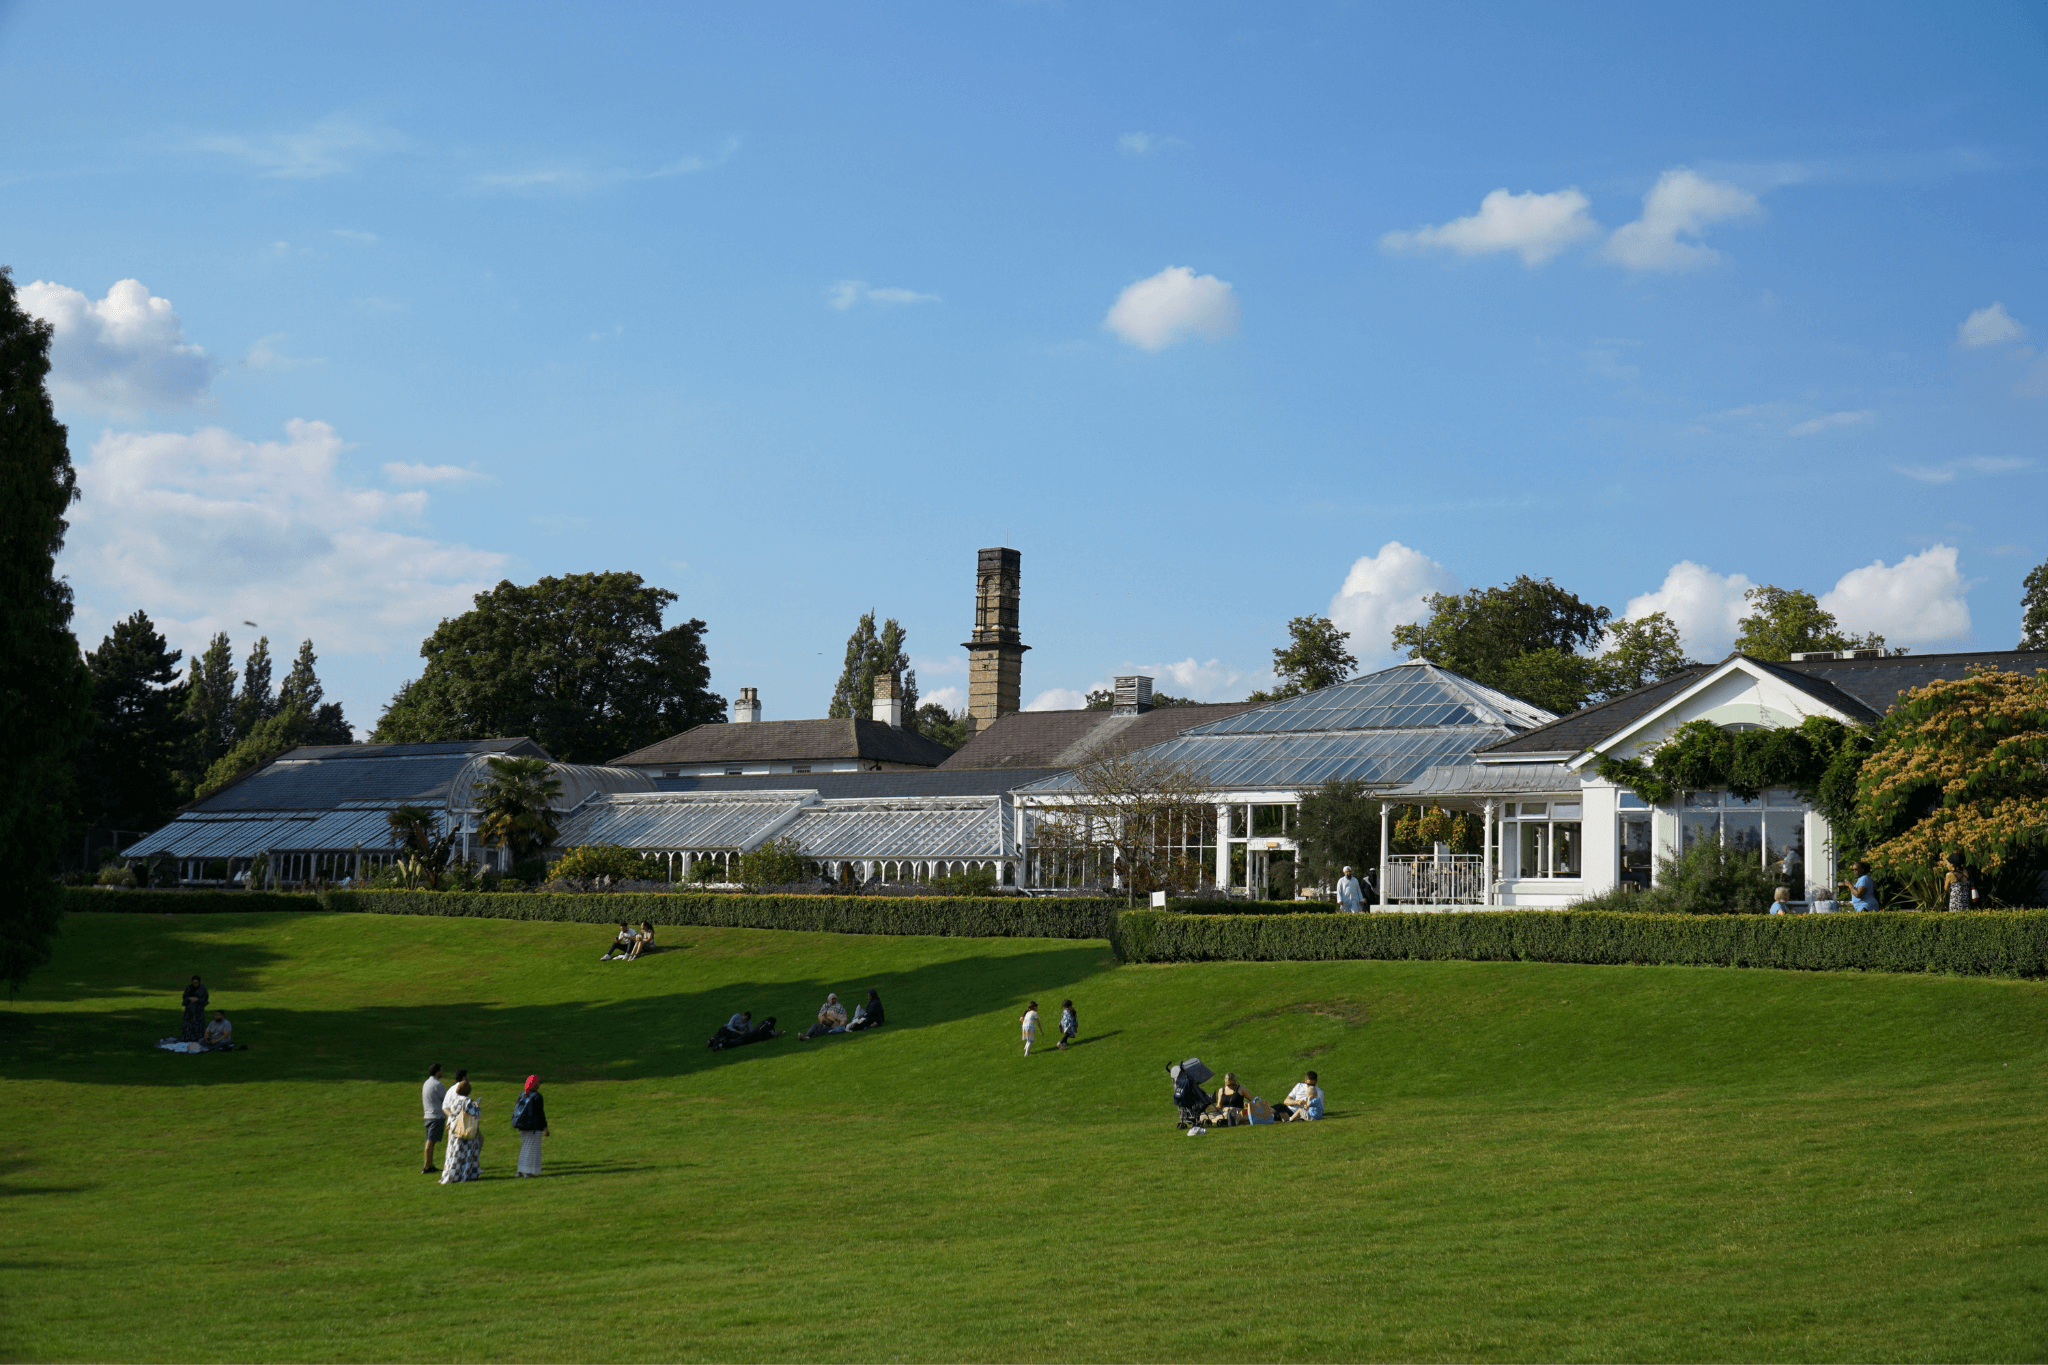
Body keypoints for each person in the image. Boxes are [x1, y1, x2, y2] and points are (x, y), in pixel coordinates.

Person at [440, 1078, 482, 1183]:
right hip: (465, 1130)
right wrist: (477, 1106)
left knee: (455, 1154)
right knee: (466, 1153)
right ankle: (465, 1174)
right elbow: (476, 1114)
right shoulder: (467, 1101)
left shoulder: (455, 1100)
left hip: (455, 1130)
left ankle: (452, 1174)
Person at [512, 1075, 549, 1177]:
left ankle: (519, 1171)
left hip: (522, 1126)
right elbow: (540, 1114)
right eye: (538, 1083)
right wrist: (545, 1127)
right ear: (535, 1084)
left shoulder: (522, 1094)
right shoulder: (537, 1096)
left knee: (525, 1147)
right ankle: (529, 1172)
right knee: (532, 1149)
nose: (540, 1085)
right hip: (534, 1127)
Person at [421, 1063, 448, 1174]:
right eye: (441, 1070)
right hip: (436, 1116)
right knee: (431, 1142)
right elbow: (446, 1099)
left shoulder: (426, 1083)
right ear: (437, 1072)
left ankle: (430, 1164)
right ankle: (427, 1166)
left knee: (430, 1141)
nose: (442, 1072)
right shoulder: (438, 1085)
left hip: (428, 1115)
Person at [180, 974, 208, 1042]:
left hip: (198, 1011)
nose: (195, 984)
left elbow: (205, 1000)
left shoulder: (202, 989)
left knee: (198, 1024)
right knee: (188, 1025)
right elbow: (184, 997)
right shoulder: (189, 988)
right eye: (194, 983)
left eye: (196, 983)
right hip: (189, 1011)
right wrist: (189, 998)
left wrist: (197, 1000)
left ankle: (198, 1037)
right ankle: (187, 1037)